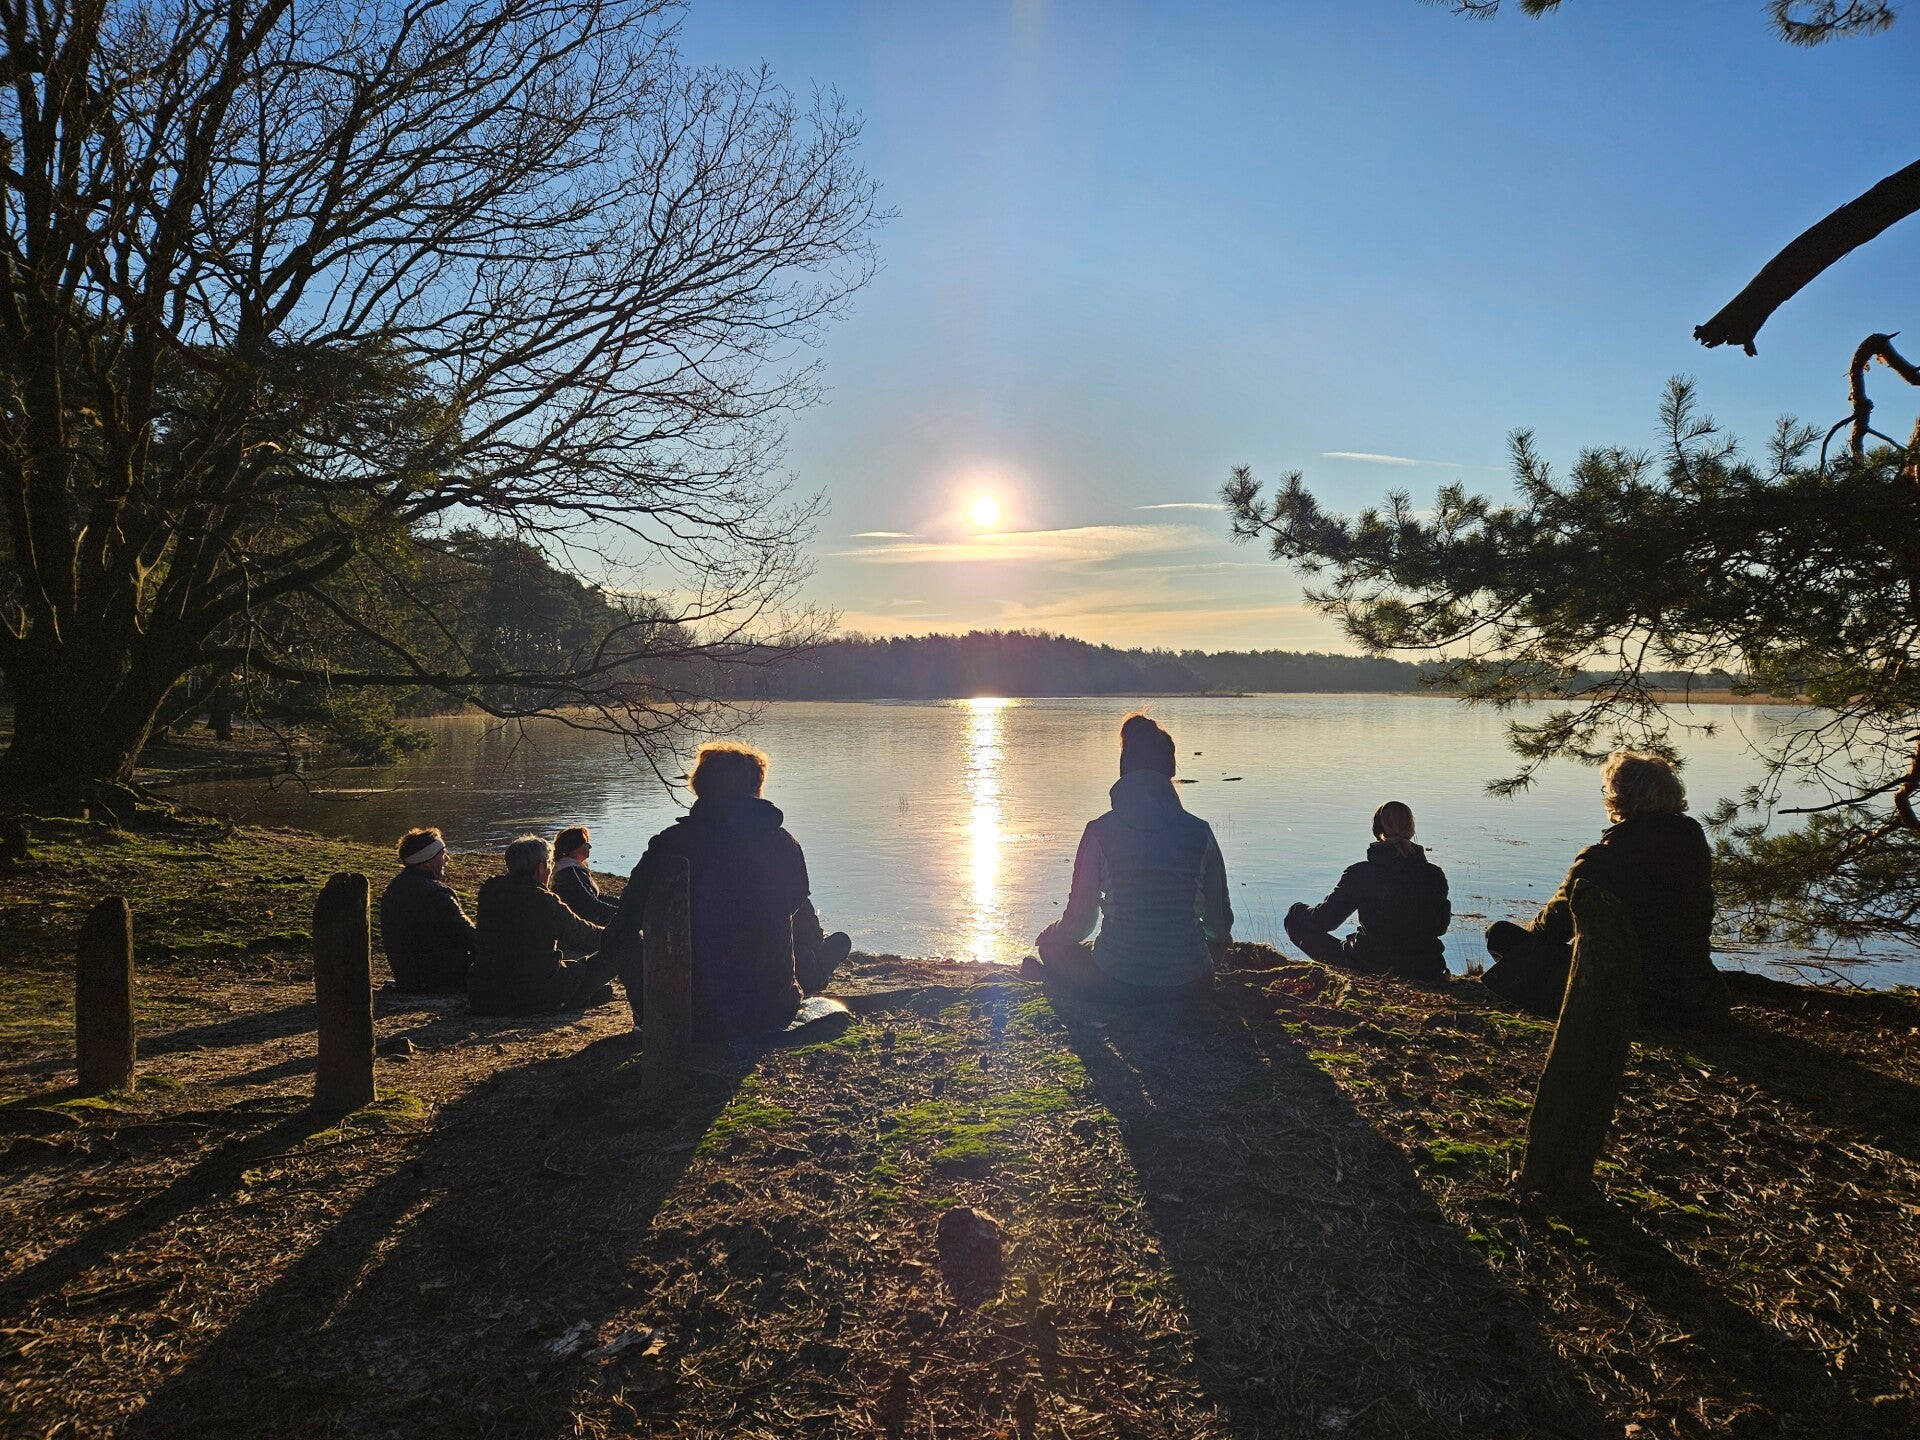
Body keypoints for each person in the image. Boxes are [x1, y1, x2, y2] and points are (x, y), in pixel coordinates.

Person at [602, 742, 853, 1038]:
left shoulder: (669, 844)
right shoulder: (783, 844)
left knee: (617, 935)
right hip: (766, 1010)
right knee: (798, 932)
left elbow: (623, 925)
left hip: (685, 1010)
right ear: (755, 787)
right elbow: (799, 914)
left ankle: (651, 1016)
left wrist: (648, 999)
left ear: (701, 786)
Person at [1481, 751, 1729, 1026]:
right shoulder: (1692, 845)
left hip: (1630, 994)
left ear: (1620, 797)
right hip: (1697, 993)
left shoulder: (1602, 858)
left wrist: (1523, 940)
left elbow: (1551, 928)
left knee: (1501, 935)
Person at [1022, 713, 1231, 1002]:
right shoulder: (1200, 832)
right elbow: (1219, 927)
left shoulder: (1099, 831)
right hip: (1191, 984)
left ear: (1124, 770)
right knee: (1218, 945)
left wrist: (1051, 934)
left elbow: (1080, 924)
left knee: (1052, 948)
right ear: (1169, 772)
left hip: (1118, 982)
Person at [1284, 801, 1450, 983]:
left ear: (1377, 830)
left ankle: (1352, 975)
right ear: (1411, 829)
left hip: (1371, 962)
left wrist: (1297, 909)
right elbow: (1440, 928)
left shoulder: (1361, 873)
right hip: (1427, 967)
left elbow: (1325, 921)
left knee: (1294, 922)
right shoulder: (1434, 875)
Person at [468, 835, 620, 1016]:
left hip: (486, 993)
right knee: (617, 951)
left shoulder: (490, 891)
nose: (551, 870)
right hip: (535, 991)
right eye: (549, 864)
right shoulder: (542, 899)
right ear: (540, 868)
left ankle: (586, 995)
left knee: (597, 987)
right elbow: (583, 935)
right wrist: (621, 934)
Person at [378, 828, 475, 992]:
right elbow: (469, 936)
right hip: (442, 977)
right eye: (442, 854)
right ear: (427, 860)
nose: (447, 859)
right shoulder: (436, 894)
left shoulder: (394, 888)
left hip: (408, 976)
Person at [551, 825, 620, 924]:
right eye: (586, 843)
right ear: (574, 847)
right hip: (582, 924)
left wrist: (622, 902)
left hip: (586, 919)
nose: (590, 846)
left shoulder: (571, 868)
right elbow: (591, 904)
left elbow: (594, 897)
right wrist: (624, 912)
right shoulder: (570, 872)